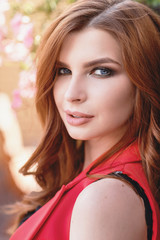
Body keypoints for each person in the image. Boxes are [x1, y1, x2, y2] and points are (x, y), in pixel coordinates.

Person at [10, 0, 160, 239]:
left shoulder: (105, 197)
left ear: (144, 80)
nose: (71, 94)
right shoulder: (83, 175)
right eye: (63, 71)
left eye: (101, 71)